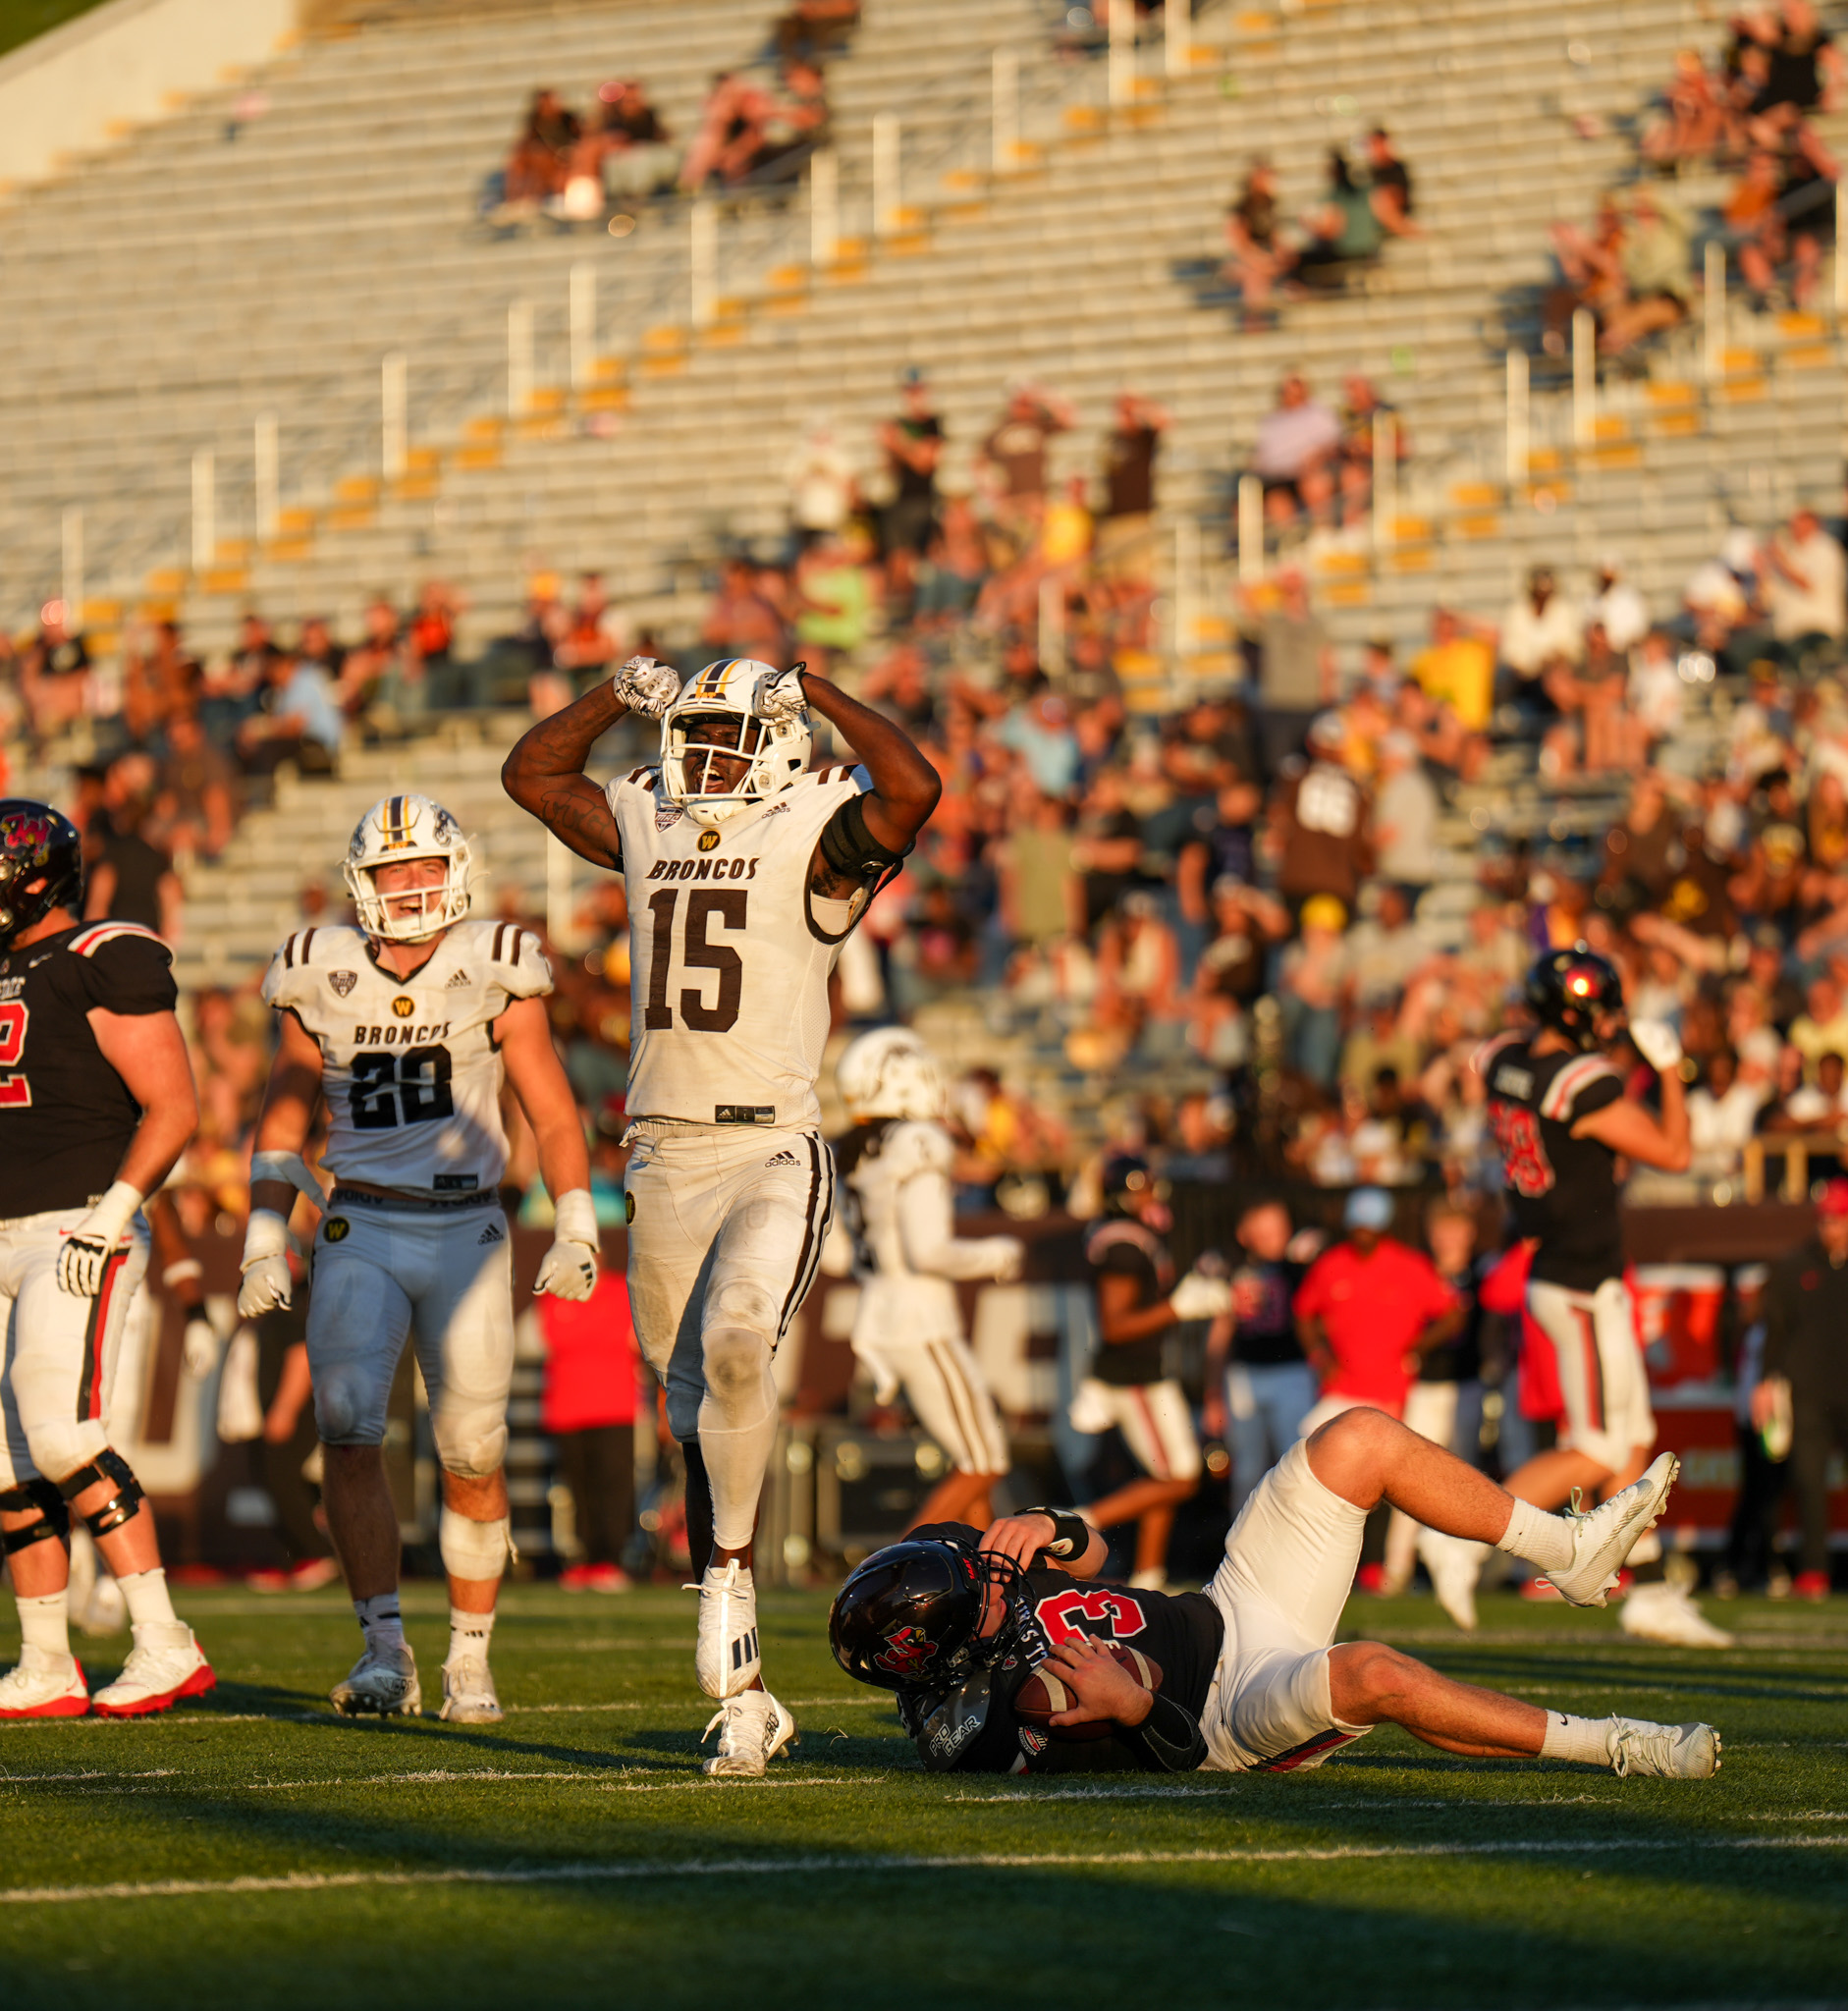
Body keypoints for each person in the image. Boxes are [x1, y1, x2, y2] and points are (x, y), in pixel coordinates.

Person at [501, 650, 941, 1775]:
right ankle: (744, 1695)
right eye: (690, 731)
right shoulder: (650, 811)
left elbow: (912, 787)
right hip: (661, 1152)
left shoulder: (812, 825)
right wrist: (613, 694)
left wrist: (824, 687)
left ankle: (731, 1576)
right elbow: (530, 774)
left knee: (740, 1346)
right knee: (690, 1401)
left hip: (769, 1143)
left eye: (728, 734)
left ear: (786, 744)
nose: (701, 752)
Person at [237, 793, 600, 1724]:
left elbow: (553, 1109)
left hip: (467, 1225)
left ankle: (469, 1659)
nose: (411, 887)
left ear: (457, 873)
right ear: (362, 883)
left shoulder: (495, 966)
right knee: (348, 1424)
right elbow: (284, 1114)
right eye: (392, 872)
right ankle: (382, 1648)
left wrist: (575, 1222)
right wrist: (263, 1236)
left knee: (473, 1451)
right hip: (359, 1218)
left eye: (424, 868)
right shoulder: (315, 969)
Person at [828, 1423, 1716, 1780]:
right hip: (1220, 1716)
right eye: (976, 1601)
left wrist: (1051, 1524)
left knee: (1355, 1439)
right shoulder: (982, 1720)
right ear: (945, 1657)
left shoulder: (973, 1578)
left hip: (1228, 1602)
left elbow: (1096, 1557)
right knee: (1376, 1673)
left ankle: (1569, 1553)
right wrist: (1135, 1706)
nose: (990, 1579)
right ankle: (1619, 1746)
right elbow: (1172, 1758)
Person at [0, 802, 214, 1718]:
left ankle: (165, 1641)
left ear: (37, 876)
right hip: (5, 1230)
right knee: (5, 1467)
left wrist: (116, 1212)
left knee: (62, 1433)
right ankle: (47, 1662)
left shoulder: (100, 954)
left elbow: (173, 1105)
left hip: (77, 1222)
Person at [1472, 950, 1725, 1644]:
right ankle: (1459, 1535)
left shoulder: (1503, 1059)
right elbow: (1674, 1152)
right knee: (1596, 1446)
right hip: (1581, 1280)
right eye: (1604, 1008)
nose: (1613, 1021)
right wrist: (1672, 1072)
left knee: (1633, 1439)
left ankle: (1642, 1585)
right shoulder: (1577, 1081)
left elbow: (1515, 1070)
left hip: (1565, 1269)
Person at [825, 1027, 1022, 1530]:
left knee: (971, 1457)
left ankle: (988, 1593)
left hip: (879, 1314)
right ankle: (895, 1576)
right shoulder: (917, 1140)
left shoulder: (850, 1147)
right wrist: (997, 1255)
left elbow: (835, 1257)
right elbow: (930, 1251)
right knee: (986, 1460)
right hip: (921, 1318)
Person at [1072, 1153, 1230, 1591]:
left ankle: (1149, 1575)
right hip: (1133, 1376)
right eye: (1143, 1186)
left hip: (1146, 1372)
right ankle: (1075, 1523)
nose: (1153, 1194)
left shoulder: (1132, 1237)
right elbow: (1117, 1324)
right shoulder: (1122, 1244)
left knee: (1165, 1476)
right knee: (1179, 1477)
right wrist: (1178, 1307)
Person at [1756, 1176, 1848, 1599]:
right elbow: (1776, 1331)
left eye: (1839, 1219)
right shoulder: (1795, 1266)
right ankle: (1813, 1571)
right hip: (1809, 1392)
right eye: (1826, 1219)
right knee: (1809, 1484)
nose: (1831, 1228)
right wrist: (1764, 1382)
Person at [1203, 1199, 1317, 1514]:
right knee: (1247, 1467)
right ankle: (1241, 1544)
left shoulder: (1300, 1268)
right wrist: (1212, 1392)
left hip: (1293, 1372)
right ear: (1244, 1234)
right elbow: (1220, 1332)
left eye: (1278, 1230)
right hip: (1245, 1373)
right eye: (1263, 1231)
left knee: (1295, 1461)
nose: (1273, 1238)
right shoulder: (1231, 1269)